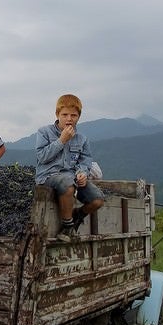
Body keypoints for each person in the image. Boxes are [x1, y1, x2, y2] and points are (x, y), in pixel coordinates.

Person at [35, 94, 105, 242]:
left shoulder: (82, 139)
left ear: (78, 117)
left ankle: (77, 216)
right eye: (64, 114)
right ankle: (67, 228)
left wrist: (82, 173)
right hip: (48, 176)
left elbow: (85, 160)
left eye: (73, 115)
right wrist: (61, 141)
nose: (69, 119)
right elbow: (41, 157)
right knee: (67, 184)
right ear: (57, 114)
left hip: (71, 177)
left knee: (97, 199)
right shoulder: (44, 132)